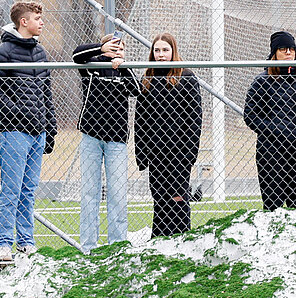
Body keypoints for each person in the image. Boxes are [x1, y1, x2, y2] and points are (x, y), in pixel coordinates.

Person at [0, 1, 55, 262]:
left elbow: (46, 93)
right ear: (23, 22)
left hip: (39, 132)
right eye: (37, 18)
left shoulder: (41, 52)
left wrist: (51, 127)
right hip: (14, 132)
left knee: (28, 190)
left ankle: (26, 242)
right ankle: (4, 243)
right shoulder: (3, 52)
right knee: (11, 190)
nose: (42, 22)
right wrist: (19, 113)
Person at [243, 31, 296, 211]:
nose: (288, 52)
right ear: (274, 53)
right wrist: (277, 130)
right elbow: (251, 115)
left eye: (291, 49)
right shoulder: (263, 80)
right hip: (272, 153)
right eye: (283, 49)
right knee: (273, 207)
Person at [72, 30, 138, 249]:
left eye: (120, 47)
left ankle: (117, 244)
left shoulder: (124, 70)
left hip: (116, 141)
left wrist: (124, 66)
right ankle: (88, 246)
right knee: (90, 193)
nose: (116, 50)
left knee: (117, 194)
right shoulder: (91, 65)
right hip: (91, 136)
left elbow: (136, 91)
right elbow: (76, 55)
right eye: (112, 46)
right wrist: (102, 51)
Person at [135, 33, 201, 237]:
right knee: (160, 201)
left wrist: (190, 154)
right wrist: (141, 154)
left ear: (173, 51)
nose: (161, 55)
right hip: (156, 155)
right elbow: (140, 120)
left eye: (165, 50)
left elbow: (195, 119)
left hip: (179, 155)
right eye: (157, 50)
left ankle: (181, 240)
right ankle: (159, 242)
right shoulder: (147, 79)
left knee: (178, 201)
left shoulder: (186, 78)